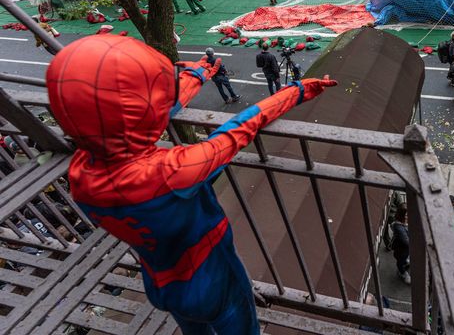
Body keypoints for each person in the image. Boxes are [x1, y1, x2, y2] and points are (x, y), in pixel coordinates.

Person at [44, 36, 336, 334]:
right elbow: (241, 127)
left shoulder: (81, 174)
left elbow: (133, 115)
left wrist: (196, 76)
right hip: (214, 280)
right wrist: (298, 90)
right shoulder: (173, 173)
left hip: (161, 283)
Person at [391, 203, 410, 284]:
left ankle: (405, 262)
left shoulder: (403, 222)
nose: (408, 216)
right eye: (406, 215)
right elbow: (407, 242)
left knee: (404, 259)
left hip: (405, 250)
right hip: (401, 250)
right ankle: (402, 273)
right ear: (401, 215)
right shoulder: (399, 227)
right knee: (400, 263)